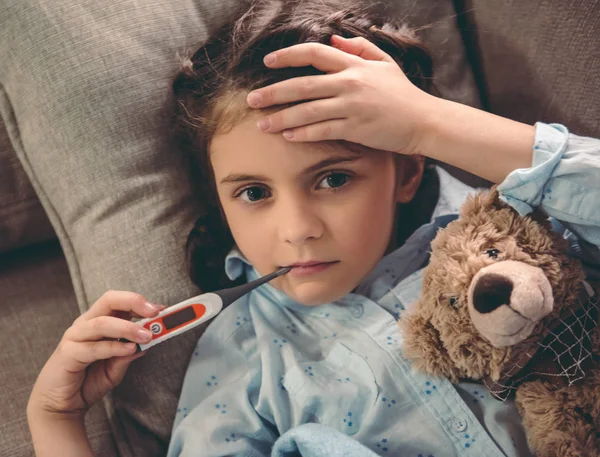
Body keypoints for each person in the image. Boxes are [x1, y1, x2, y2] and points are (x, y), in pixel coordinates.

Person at [26, 0, 600, 456]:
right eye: (254, 193)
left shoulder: (513, 228)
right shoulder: (241, 355)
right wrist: (54, 422)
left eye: (332, 180)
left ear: (405, 169)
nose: (297, 229)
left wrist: (431, 124)